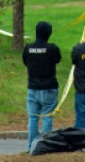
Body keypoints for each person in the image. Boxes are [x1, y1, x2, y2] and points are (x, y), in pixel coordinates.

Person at [21, 20, 61, 150]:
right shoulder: (52, 48)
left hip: (33, 87)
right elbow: (58, 59)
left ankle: (31, 146)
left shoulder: (28, 48)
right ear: (48, 34)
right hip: (49, 87)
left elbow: (25, 62)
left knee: (33, 118)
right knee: (47, 117)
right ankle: (43, 146)